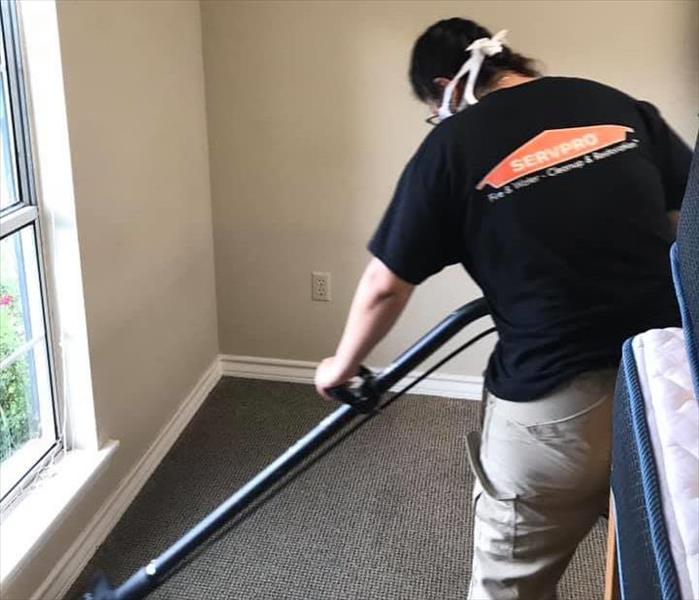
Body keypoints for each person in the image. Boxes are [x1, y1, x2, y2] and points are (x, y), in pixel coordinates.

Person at [314, 17, 691, 600]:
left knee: (511, 575)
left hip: (558, 401)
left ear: (446, 85)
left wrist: (339, 366)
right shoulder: (611, 102)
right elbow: (683, 222)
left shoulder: (451, 146)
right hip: (668, 374)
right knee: (652, 535)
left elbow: (386, 285)